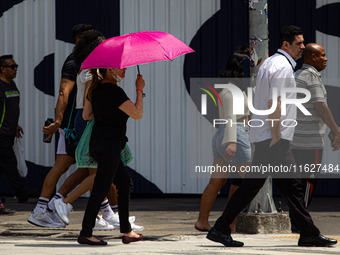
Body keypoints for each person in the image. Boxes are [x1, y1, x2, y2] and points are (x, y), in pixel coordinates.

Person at [206, 25, 337, 247]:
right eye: (298, 44)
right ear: (286, 44)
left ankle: (306, 232)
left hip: (268, 136)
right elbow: (274, 103)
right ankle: (307, 233)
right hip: (274, 139)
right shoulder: (283, 67)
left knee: (281, 186)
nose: (302, 47)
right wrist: (277, 135)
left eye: (303, 43)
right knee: (289, 186)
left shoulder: (270, 63)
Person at [28, 24, 94, 228]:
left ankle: (51, 205)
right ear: (78, 40)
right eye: (89, 40)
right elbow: (64, 92)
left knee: (88, 168)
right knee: (76, 167)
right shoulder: (73, 62)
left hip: (79, 123)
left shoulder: (85, 61)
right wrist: (58, 122)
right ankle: (42, 209)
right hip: (72, 125)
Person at [77, 67, 144, 245]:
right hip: (110, 145)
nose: (125, 70)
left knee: (123, 183)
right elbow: (137, 114)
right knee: (101, 188)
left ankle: (126, 230)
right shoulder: (114, 91)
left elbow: (86, 115)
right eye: (121, 68)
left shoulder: (96, 89)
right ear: (109, 70)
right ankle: (86, 233)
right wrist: (139, 89)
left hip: (99, 143)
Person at [195, 46, 251, 232]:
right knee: (249, 182)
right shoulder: (231, 91)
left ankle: (204, 221)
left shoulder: (232, 88)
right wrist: (233, 142)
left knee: (218, 182)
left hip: (225, 135)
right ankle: (228, 223)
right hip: (234, 134)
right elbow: (230, 118)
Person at [290, 43, 340, 232]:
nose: (326, 59)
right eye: (322, 55)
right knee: (308, 181)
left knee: (298, 182)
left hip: (296, 139)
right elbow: (320, 106)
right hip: (310, 142)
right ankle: (300, 222)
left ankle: (297, 219)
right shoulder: (311, 77)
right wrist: (336, 130)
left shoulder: (297, 76)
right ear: (312, 58)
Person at [0, 55, 28, 212]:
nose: (15, 69)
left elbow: (10, 110)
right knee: (10, 164)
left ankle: (21, 191)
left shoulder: (12, 85)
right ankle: (21, 193)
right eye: (12, 66)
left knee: (2, 166)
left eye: (16, 66)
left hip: (10, 132)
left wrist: (15, 125)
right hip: (1, 133)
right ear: (2, 69)